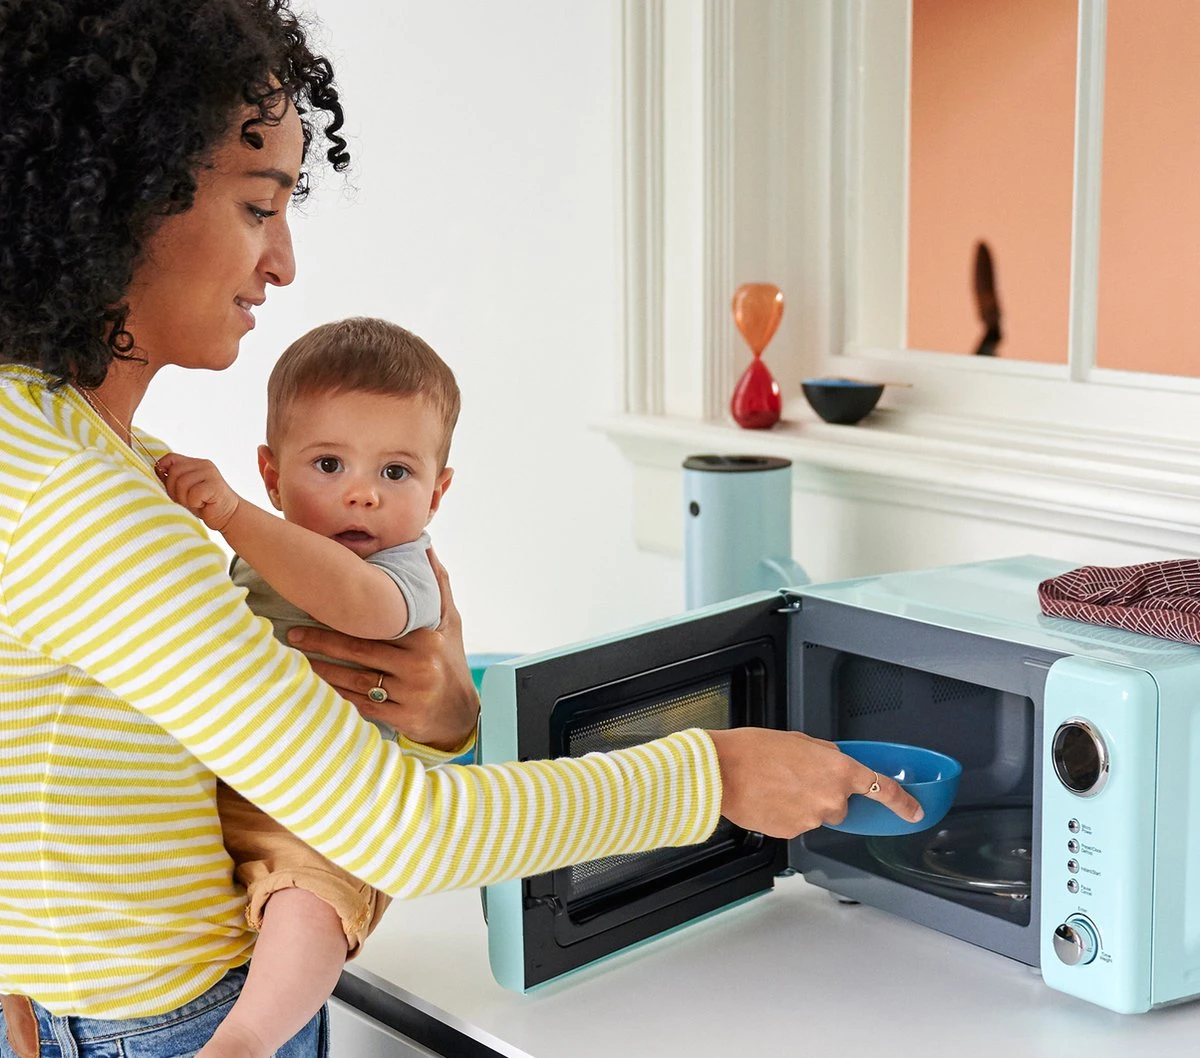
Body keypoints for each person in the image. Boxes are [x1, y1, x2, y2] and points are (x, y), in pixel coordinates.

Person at [0, 3, 922, 1057]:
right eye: (260, 206)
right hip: (164, 1027)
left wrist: (446, 709)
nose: (284, 261)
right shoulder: (83, 498)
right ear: (123, 198)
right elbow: (401, 829)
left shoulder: (75, 450)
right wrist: (716, 773)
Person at [157, 317, 460, 1055]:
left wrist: (234, 516)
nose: (362, 495)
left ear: (437, 493)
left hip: (325, 809)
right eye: (329, 464)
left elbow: (356, 605)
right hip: (216, 796)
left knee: (311, 902)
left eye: (396, 473)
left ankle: (245, 1038)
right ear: (273, 473)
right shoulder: (259, 557)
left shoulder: (405, 570)